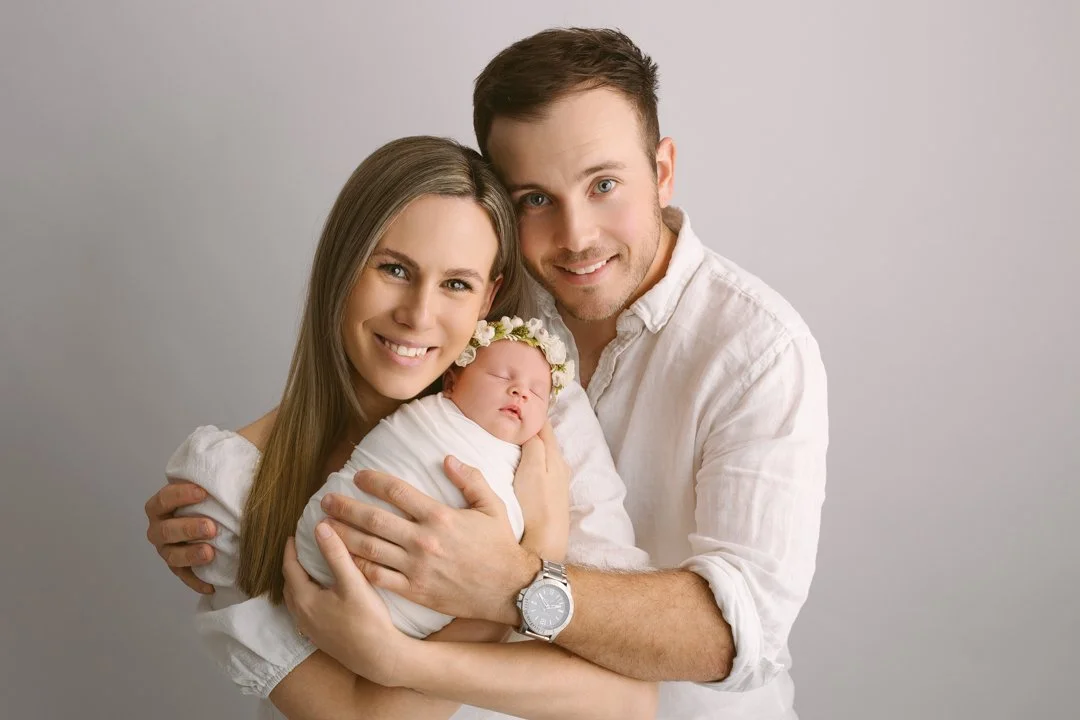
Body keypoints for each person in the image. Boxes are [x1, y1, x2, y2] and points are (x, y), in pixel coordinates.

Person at [147, 27, 829, 720]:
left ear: (662, 170)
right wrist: (223, 488)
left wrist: (510, 577)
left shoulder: (755, 353)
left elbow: (731, 635)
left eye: (604, 184)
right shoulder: (488, 333)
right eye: (535, 198)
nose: (576, 236)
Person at [155, 134, 657, 720]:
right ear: (341, 267)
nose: (418, 315)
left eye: (456, 284)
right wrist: (537, 545)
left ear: (488, 296)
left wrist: (403, 656)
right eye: (395, 269)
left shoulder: (531, 405)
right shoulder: (231, 483)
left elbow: (629, 698)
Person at [290, 317, 573, 637]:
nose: (520, 392)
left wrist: (541, 537)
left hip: (410, 618)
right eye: (500, 376)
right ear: (451, 383)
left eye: (536, 393)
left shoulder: (535, 467)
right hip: (330, 545)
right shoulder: (428, 417)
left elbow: (499, 557)